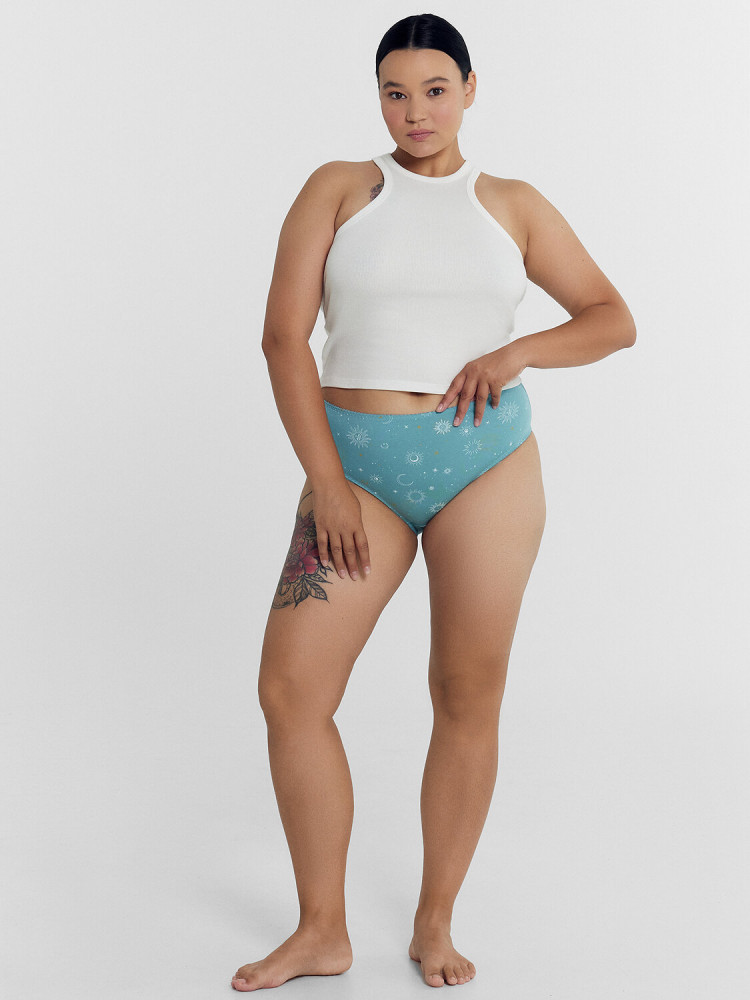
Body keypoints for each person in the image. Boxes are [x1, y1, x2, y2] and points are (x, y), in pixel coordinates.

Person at [232, 12, 636, 993]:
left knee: (465, 692)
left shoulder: (513, 205)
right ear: (378, 98)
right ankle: (322, 929)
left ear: (469, 90)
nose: (415, 111)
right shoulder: (339, 188)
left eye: (435, 90)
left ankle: (434, 919)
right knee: (291, 692)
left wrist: (518, 351)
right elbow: (284, 340)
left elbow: (611, 318)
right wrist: (328, 482)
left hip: (486, 467)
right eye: (396, 92)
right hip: (357, 473)